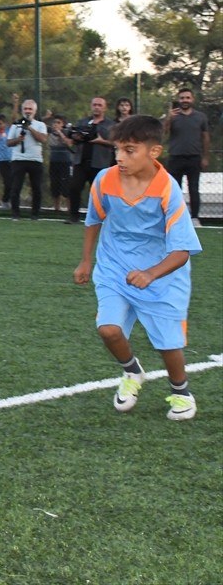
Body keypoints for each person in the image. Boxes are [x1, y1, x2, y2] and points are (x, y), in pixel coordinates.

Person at [73, 115, 202, 421]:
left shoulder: (167, 189)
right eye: (117, 149)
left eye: (129, 150)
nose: (119, 157)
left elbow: (182, 251)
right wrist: (86, 260)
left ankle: (181, 392)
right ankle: (132, 371)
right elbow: (94, 220)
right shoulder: (105, 180)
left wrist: (150, 274)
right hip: (114, 266)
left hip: (163, 274)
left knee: (168, 344)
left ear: (153, 152)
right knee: (108, 328)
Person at [163, 88, 211, 228]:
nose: (185, 100)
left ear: (192, 99)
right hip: (175, 157)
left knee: (194, 189)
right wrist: (168, 118)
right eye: (182, 98)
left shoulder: (200, 117)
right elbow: (164, 133)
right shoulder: (173, 116)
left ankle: (195, 218)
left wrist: (205, 157)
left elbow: (206, 138)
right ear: (179, 100)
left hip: (194, 157)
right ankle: (174, 216)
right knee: (174, 189)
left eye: (187, 97)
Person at [66, 96, 115, 225]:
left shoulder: (110, 125)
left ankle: (102, 217)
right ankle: (73, 216)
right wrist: (76, 136)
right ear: (91, 106)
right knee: (74, 188)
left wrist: (101, 141)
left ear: (105, 108)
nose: (97, 107)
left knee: (100, 193)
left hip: (99, 162)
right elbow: (73, 139)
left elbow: (116, 143)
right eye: (95, 105)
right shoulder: (83, 122)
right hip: (81, 161)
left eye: (100, 105)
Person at [6, 94, 47, 221]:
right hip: (18, 159)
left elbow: (43, 139)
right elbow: (8, 142)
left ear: (35, 111)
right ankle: (15, 214)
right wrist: (18, 139)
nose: (28, 111)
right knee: (16, 187)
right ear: (22, 110)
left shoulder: (40, 125)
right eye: (26, 109)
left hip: (35, 159)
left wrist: (29, 127)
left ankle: (35, 214)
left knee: (36, 188)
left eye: (30, 109)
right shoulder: (15, 125)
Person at [46, 115, 74, 214]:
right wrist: (46, 117)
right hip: (54, 161)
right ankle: (56, 208)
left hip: (66, 162)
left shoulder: (67, 132)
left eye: (58, 123)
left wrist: (60, 133)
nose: (56, 125)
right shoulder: (49, 131)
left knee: (67, 185)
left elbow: (69, 144)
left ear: (63, 124)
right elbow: (38, 123)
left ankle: (70, 209)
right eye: (54, 122)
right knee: (54, 184)